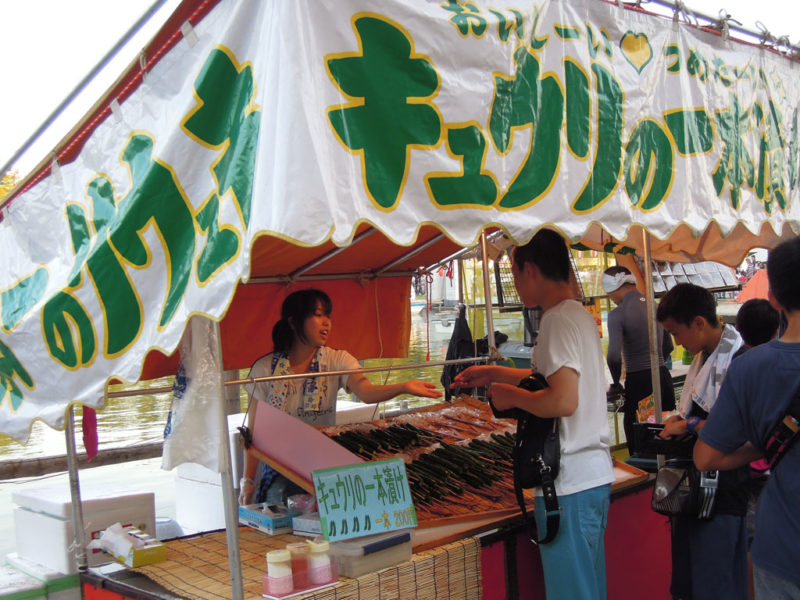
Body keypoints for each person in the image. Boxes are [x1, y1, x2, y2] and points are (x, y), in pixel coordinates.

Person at [453, 229, 614, 600]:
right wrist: (496, 373)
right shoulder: (580, 316)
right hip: (593, 477)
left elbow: (562, 401)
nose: (515, 283)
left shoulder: (556, 320)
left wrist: (511, 397)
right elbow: (564, 379)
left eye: (513, 273)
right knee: (588, 588)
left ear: (529, 269)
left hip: (567, 484)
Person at [238, 288, 441, 505]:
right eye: (318, 315)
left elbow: (366, 392)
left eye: (328, 316)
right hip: (280, 471)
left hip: (325, 469)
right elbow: (254, 432)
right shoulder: (264, 369)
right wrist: (248, 483)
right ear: (294, 322)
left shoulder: (337, 361)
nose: (326, 323)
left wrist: (403, 386)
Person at [695, 238, 800, 599]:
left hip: (783, 542)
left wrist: (762, 446)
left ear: (773, 297)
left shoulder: (750, 368)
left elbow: (705, 457)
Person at [656, 283, 747, 600]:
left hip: (724, 493)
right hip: (692, 491)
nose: (676, 342)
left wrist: (690, 425)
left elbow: (740, 430)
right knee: (692, 581)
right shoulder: (704, 358)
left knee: (717, 581)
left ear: (698, 322)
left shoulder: (741, 360)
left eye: (676, 332)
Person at [602, 266, 676, 455]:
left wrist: (616, 382)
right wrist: (656, 363)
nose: (612, 299)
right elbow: (669, 345)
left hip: (640, 383)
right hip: (663, 379)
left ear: (614, 288)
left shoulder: (618, 314)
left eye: (610, 295)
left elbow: (613, 356)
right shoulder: (655, 305)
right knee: (667, 438)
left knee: (640, 442)